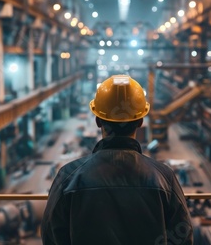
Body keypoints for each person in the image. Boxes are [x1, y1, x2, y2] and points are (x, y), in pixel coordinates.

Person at [42, 74, 193, 245]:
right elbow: (183, 235)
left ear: (98, 120)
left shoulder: (68, 177)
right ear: (140, 122)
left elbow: (51, 235)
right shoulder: (164, 177)